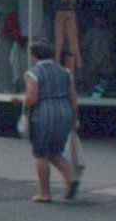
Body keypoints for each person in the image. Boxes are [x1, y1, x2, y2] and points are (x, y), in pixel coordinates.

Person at [20, 41, 81, 202]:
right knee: (55, 151)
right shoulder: (65, 72)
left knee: (40, 153)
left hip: (44, 113)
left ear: (35, 56)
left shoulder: (34, 73)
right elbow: (74, 97)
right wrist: (75, 119)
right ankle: (71, 178)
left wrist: (19, 99)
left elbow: (32, 98)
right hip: (64, 112)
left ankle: (44, 193)